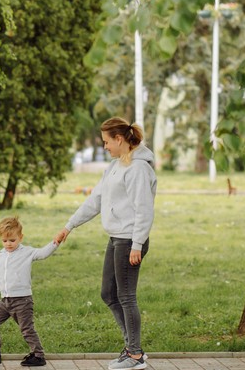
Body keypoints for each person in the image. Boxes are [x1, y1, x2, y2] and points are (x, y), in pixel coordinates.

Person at [54, 118, 156, 370]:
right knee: (108, 294)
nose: (105, 146)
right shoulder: (114, 166)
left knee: (126, 296)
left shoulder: (138, 169)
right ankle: (132, 348)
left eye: (107, 141)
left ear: (119, 139)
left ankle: (135, 355)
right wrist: (69, 226)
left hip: (130, 240)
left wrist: (137, 244)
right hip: (117, 238)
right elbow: (95, 200)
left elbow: (144, 209)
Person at [0, 216, 59, 367]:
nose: (8, 244)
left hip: (22, 301)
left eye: (12, 240)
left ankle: (38, 356)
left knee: (26, 329)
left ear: (21, 237)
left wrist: (55, 242)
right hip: (5, 301)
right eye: (5, 240)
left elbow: (43, 253)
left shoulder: (27, 252)